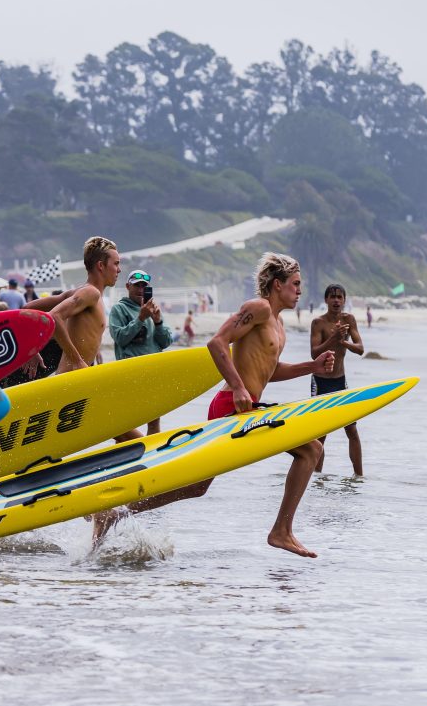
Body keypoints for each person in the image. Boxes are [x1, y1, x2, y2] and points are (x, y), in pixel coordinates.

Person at [93, 252, 336, 559]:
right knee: (311, 449)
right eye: (296, 284)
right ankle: (281, 532)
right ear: (277, 285)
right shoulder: (258, 309)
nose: (300, 291)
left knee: (197, 487)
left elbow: (266, 371)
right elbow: (217, 343)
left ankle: (116, 513)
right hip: (231, 406)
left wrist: (310, 367)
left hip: (248, 405)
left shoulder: (278, 325)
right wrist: (236, 386)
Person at [108, 269, 174, 434]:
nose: (140, 289)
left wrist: (158, 322)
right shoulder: (119, 309)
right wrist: (140, 319)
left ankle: (154, 456)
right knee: (124, 426)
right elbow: (120, 338)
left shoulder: (152, 310)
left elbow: (165, 341)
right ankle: (129, 454)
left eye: (144, 286)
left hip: (153, 373)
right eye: (137, 285)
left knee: (153, 422)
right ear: (128, 286)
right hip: (131, 374)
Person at [309, 283, 365, 475]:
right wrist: (333, 338)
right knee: (320, 435)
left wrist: (343, 341)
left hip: (340, 381)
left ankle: (359, 477)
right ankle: (317, 478)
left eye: (339, 297)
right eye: (332, 297)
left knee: (352, 431)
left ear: (344, 300)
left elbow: (360, 349)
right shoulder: (318, 323)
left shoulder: (349, 320)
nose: (336, 301)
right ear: (326, 300)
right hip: (321, 382)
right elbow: (313, 353)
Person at [45, 236, 122, 374]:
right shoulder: (90, 293)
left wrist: (31, 351)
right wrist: (77, 361)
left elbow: (27, 308)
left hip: (72, 380)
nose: (119, 270)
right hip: (70, 382)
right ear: (101, 266)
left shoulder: (81, 292)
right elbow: (54, 316)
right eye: (116, 264)